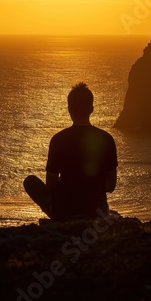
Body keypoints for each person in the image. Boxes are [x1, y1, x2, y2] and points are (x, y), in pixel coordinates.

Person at [24, 82, 118, 221]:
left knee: (30, 181)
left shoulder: (58, 140)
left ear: (69, 109)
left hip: (65, 211)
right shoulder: (107, 139)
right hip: (97, 211)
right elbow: (110, 186)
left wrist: (69, 183)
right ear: (91, 109)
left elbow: (51, 185)